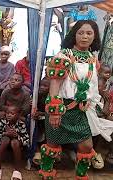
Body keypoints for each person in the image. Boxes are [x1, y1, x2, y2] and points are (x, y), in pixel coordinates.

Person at [39, 20, 113, 179]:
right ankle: (46, 173)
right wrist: (54, 112)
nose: (84, 37)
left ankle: (81, 176)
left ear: (95, 36)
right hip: (62, 108)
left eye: (89, 33)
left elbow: (92, 85)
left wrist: (92, 103)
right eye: (81, 33)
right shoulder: (63, 56)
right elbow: (54, 86)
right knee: (52, 145)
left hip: (81, 111)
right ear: (74, 35)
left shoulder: (93, 59)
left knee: (86, 146)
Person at [0, 105, 29, 180]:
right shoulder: (1, 121)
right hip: (3, 143)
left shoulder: (21, 124)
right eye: (7, 113)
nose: (9, 115)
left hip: (16, 146)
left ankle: (17, 170)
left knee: (14, 142)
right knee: (5, 139)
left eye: (12, 113)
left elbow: (26, 140)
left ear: (18, 115)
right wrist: (5, 134)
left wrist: (16, 135)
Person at [32, 78, 50, 165]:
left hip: (48, 119)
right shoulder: (37, 95)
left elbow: (52, 112)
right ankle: (37, 151)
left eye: (45, 86)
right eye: (41, 85)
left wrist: (42, 114)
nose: (42, 87)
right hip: (39, 118)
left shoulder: (52, 98)